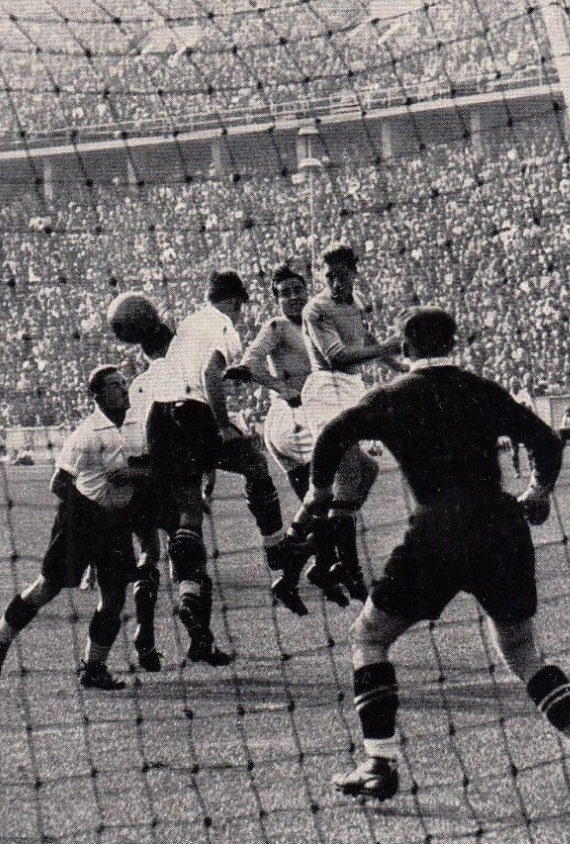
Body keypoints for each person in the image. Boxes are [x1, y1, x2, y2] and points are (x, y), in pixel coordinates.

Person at [293, 307, 570, 803]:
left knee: (368, 637)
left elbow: (330, 436)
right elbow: (543, 439)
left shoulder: (390, 396)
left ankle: (379, 761)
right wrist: (538, 491)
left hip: (437, 534)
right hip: (501, 530)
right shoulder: (481, 388)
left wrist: (317, 494)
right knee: (522, 653)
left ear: (404, 348)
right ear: (454, 342)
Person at [0, 366, 154, 691]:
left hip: (116, 523)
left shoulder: (134, 427)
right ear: (98, 396)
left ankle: (94, 668)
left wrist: (135, 477)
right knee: (47, 588)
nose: (124, 390)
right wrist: (93, 514)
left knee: (114, 598)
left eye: (123, 384)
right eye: (115, 386)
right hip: (80, 521)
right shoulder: (86, 433)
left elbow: (148, 468)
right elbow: (58, 483)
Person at [167, 271, 303, 601]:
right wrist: (222, 423)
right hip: (195, 412)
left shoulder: (188, 323)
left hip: (165, 416)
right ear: (233, 302)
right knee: (256, 466)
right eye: (240, 307)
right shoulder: (222, 324)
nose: (240, 315)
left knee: (189, 500)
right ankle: (274, 548)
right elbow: (209, 373)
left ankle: (186, 580)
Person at [125, 301, 234, 666]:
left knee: (149, 555)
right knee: (192, 561)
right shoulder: (176, 379)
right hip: (170, 473)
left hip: (140, 478)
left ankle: (145, 640)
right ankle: (200, 640)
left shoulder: (137, 384)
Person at [298, 242, 404, 604]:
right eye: (328, 275)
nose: (334, 282)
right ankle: (349, 569)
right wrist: (387, 350)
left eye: (340, 275)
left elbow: (368, 341)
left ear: (354, 271)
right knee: (347, 473)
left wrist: (401, 368)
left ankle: (318, 552)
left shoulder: (358, 302)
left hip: (351, 387)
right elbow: (336, 355)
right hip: (326, 387)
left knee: (368, 470)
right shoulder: (316, 309)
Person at [227, 262, 327, 614]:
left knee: (319, 506)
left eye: (297, 289)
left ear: (307, 289)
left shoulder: (317, 321)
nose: (292, 297)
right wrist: (280, 388)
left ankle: (302, 573)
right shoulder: (277, 326)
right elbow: (250, 363)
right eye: (284, 293)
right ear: (277, 300)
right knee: (332, 496)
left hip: (303, 420)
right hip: (293, 421)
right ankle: (298, 561)